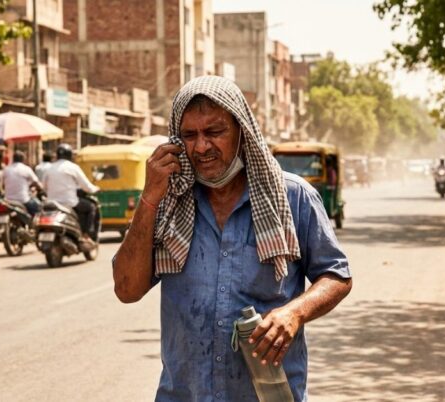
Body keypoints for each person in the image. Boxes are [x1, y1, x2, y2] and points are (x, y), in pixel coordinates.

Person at [112, 76, 352, 400]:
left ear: (241, 131)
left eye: (214, 132)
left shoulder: (293, 196)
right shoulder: (168, 202)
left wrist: (294, 313)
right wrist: (150, 198)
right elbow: (126, 289)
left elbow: (336, 275)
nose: (201, 146)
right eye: (189, 135)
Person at [43, 144, 100, 239]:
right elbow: (86, 186)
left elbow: (44, 187)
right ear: (70, 155)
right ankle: (86, 235)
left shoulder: (49, 168)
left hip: (52, 204)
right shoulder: (73, 167)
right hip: (69, 203)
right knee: (91, 207)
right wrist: (95, 189)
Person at [2, 151, 43, 215]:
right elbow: (36, 182)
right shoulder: (26, 169)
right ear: (23, 159)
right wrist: (41, 188)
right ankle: (33, 224)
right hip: (23, 200)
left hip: (8, 200)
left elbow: (3, 185)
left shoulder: (6, 169)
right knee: (39, 209)